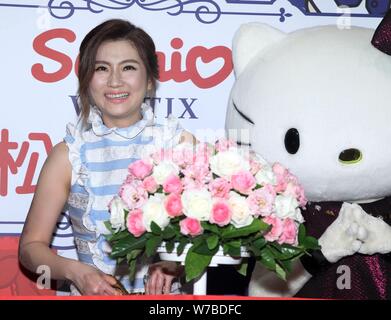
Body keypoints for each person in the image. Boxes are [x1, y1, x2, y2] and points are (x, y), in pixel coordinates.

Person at [18, 19, 194, 296]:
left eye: (128, 67)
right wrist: (76, 271)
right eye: (101, 68)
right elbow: (30, 249)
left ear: (149, 81)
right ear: (86, 80)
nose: (114, 81)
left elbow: (210, 236)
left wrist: (176, 263)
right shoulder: (69, 154)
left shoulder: (178, 144)